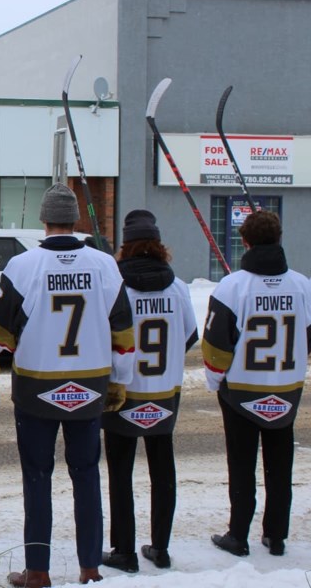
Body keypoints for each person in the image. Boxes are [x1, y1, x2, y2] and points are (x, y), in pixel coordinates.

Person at [0, 183, 135, 588]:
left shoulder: (23, 265)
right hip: (89, 384)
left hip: (36, 386)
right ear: (76, 219)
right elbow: (123, 332)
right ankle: (90, 565)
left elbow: (1, 333)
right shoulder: (105, 265)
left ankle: (38, 570)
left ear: (44, 219)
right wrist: (118, 382)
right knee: (86, 473)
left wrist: (18, 342)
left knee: (37, 476)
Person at [203, 210, 311, 558]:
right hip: (286, 389)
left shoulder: (233, 286)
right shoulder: (303, 285)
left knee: (242, 464)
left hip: (241, 392)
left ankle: (238, 534)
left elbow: (216, 345)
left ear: (244, 242)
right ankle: (276, 535)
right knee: (280, 465)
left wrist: (215, 381)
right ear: (279, 240)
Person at [100, 210, 197, 573]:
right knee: (162, 470)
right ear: (159, 245)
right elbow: (189, 336)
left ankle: (124, 550)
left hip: (124, 391)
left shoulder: (117, 286)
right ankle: (161, 546)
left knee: (121, 472)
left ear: (126, 245)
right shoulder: (178, 287)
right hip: (164, 391)